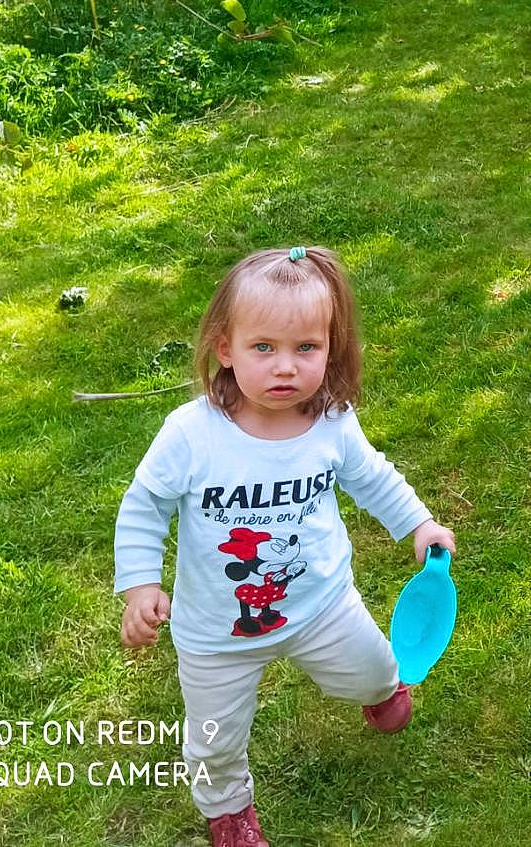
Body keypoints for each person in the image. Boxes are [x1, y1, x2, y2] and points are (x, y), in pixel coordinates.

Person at [114, 245, 456, 847]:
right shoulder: (191, 436)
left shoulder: (331, 424)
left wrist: (419, 525)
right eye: (263, 347)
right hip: (217, 633)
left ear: (331, 348)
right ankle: (229, 810)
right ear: (226, 349)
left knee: (374, 671)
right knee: (214, 736)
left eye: (306, 348)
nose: (285, 367)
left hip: (323, 605)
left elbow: (373, 477)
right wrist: (140, 583)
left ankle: (379, 694)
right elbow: (145, 506)